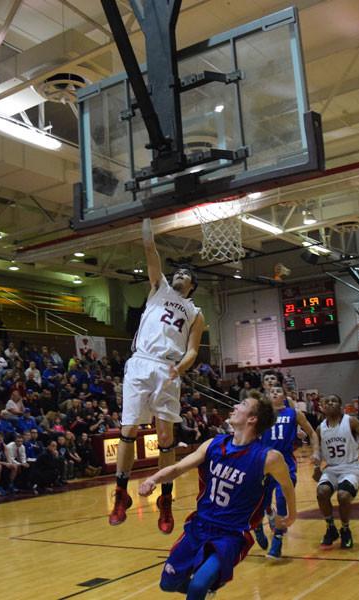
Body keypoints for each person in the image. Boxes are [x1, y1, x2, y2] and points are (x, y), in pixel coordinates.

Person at [138, 394, 293, 599]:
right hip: (200, 525)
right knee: (168, 584)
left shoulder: (269, 457)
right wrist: (153, 479)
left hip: (232, 534)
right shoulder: (213, 444)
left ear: (252, 419)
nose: (236, 405)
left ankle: (205, 589)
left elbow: (287, 485)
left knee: (198, 586)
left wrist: (292, 515)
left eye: (243, 404)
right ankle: (208, 590)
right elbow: (177, 468)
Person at [110, 218, 206, 534]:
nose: (179, 275)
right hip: (141, 363)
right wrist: (146, 228)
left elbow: (193, 351)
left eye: (185, 274)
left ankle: (165, 501)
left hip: (168, 368)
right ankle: (121, 493)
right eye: (177, 272)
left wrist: (182, 367)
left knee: (165, 438)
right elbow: (151, 252)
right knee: (128, 430)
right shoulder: (158, 287)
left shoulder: (195, 313)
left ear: (192, 284)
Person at [253, 385, 318, 559]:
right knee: (258, 500)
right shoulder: (262, 415)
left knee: (282, 499)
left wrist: (316, 451)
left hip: (286, 463)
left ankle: (277, 541)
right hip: (264, 462)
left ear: (285, 396)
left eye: (278, 390)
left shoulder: (293, 413)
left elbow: (312, 433)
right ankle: (257, 524)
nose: (274, 392)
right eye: (271, 391)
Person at [314, 395, 359, 549]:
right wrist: (316, 467)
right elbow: (319, 451)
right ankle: (330, 527)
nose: (330, 403)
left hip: (351, 467)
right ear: (322, 407)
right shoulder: (320, 428)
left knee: (343, 495)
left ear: (340, 406)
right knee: (322, 492)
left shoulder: (350, 421)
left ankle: (345, 529)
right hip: (332, 468)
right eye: (326, 401)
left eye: (333, 400)